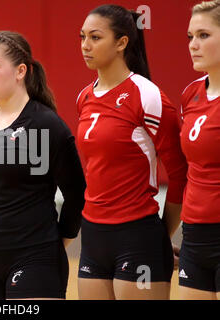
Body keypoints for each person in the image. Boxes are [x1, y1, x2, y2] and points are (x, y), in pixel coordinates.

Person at [0, 30, 86, 300]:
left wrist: (59, 240)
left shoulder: (46, 125)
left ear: (20, 71)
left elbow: (77, 193)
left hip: (35, 258)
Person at [77, 4, 188, 299]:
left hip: (137, 234)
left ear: (122, 42)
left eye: (95, 37)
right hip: (92, 236)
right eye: (82, 37)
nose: (85, 45)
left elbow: (180, 175)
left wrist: (159, 238)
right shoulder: (84, 96)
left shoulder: (147, 95)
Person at [179, 0, 220, 300]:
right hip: (194, 232)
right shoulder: (191, 93)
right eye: (191, 37)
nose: (194, 44)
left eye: (204, 35)